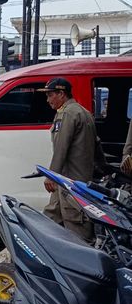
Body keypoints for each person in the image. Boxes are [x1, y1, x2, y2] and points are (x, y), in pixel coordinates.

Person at [39, 77, 98, 243]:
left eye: (50, 95)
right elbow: (97, 144)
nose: (48, 100)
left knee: (77, 233)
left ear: (61, 94)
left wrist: (51, 175)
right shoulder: (84, 112)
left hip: (70, 182)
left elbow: (61, 147)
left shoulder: (67, 114)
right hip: (74, 181)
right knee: (50, 218)